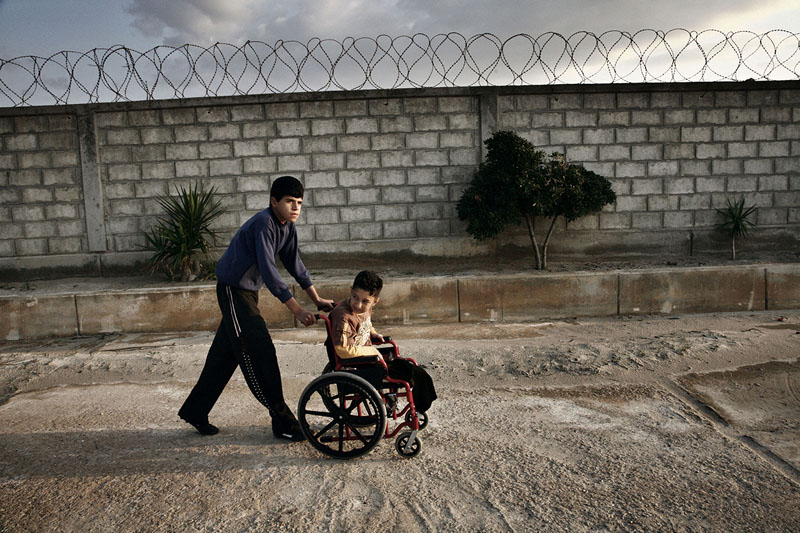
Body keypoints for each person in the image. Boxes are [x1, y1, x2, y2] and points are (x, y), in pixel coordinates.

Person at [178, 175, 334, 441]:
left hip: (248, 294)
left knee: (224, 356)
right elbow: (269, 272)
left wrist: (317, 299)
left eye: (299, 202)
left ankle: (195, 411)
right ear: (274, 202)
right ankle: (282, 420)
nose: (295, 207)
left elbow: (295, 265)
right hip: (233, 292)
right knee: (258, 349)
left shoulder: (287, 227)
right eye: (289, 202)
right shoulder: (264, 224)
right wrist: (296, 309)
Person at [328, 270, 437, 414]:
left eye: (365, 301)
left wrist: (373, 333)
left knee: (414, 370)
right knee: (406, 373)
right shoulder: (343, 317)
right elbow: (343, 349)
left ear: (375, 302)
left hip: (368, 359)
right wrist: (372, 351)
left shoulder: (366, 309)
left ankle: (420, 406)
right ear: (351, 291)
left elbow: (366, 323)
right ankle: (408, 405)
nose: (358, 305)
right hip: (353, 363)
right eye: (355, 297)